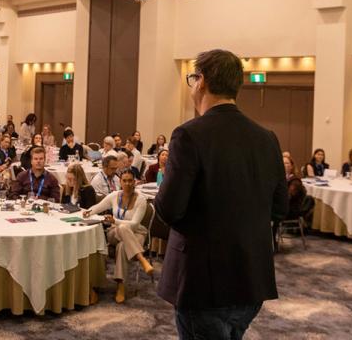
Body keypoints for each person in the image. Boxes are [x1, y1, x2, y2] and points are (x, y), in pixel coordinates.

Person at [154, 49, 288, 340]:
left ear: (200, 81)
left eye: (192, 78)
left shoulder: (189, 135)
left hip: (203, 281)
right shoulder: (267, 138)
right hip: (251, 277)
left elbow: (169, 209)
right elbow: (279, 208)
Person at [83, 170, 152, 303]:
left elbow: (134, 225)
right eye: (124, 180)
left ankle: (120, 285)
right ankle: (141, 258)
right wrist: (88, 212)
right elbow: (98, 207)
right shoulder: (114, 195)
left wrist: (115, 221)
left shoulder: (141, 200)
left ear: (135, 182)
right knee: (121, 228)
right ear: (120, 182)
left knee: (122, 246)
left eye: (130, 181)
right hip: (114, 233)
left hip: (136, 233)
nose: (127, 183)